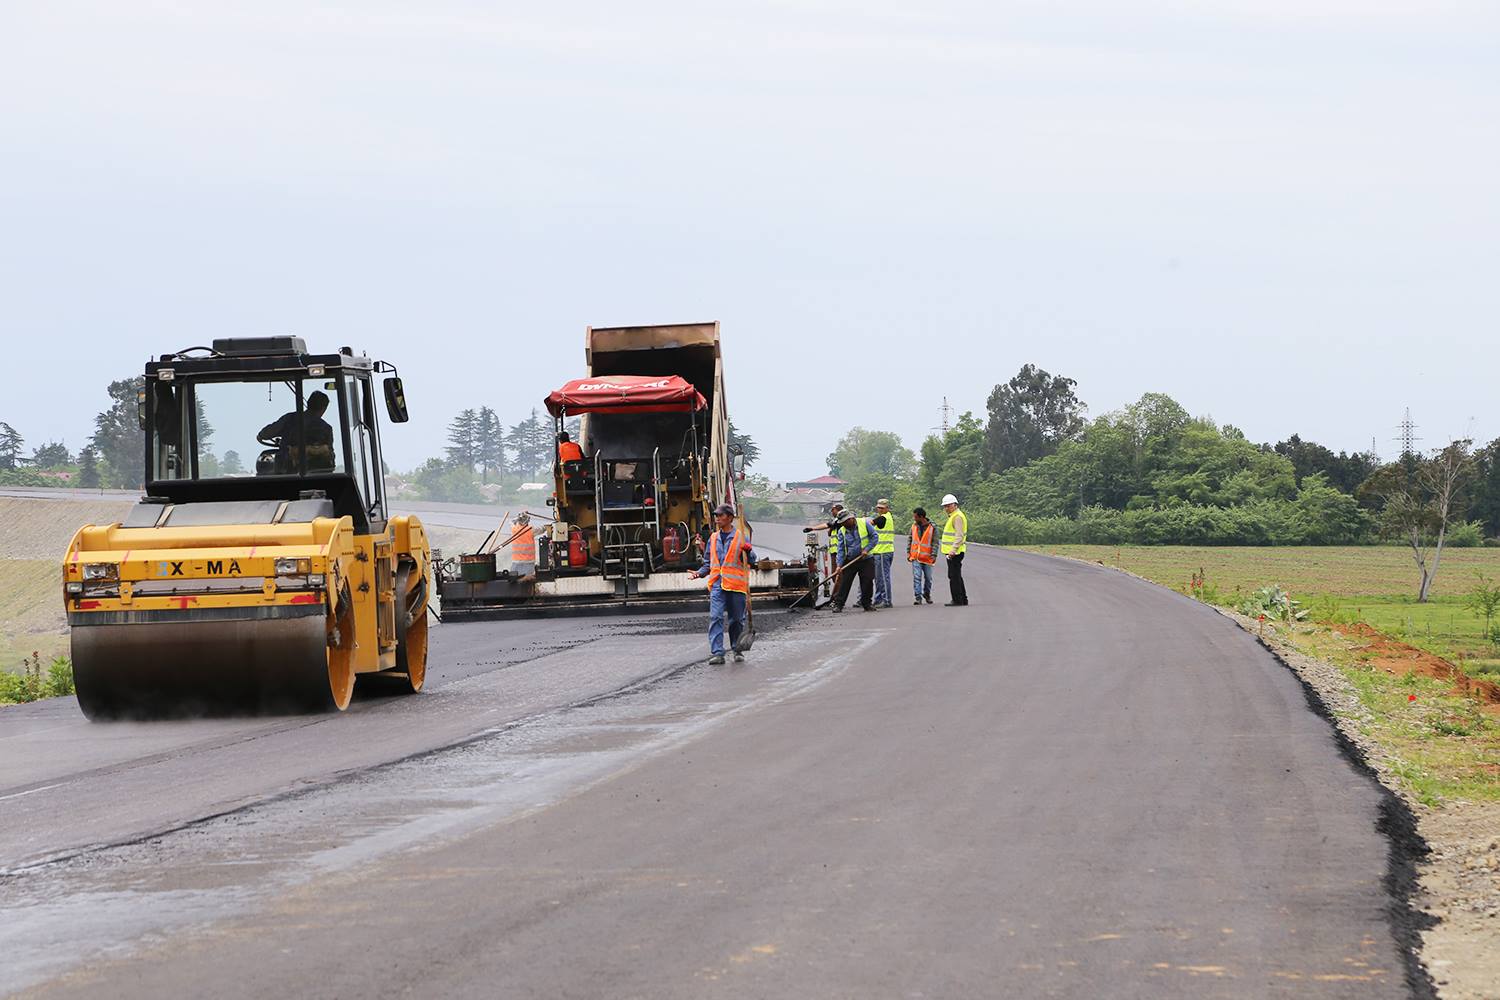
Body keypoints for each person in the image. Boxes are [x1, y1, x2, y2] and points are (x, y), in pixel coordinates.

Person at [688, 503, 756, 664]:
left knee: (736, 620)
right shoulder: (713, 538)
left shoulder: (741, 537)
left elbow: (752, 560)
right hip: (718, 585)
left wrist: (748, 551)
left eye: (720, 515)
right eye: (716, 515)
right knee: (716, 617)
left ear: (730, 518)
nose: (717, 518)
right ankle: (718, 653)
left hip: (736, 585)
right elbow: (708, 563)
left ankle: (737, 649)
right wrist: (699, 573)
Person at [257, 390, 335, 473]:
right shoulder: (326, 428)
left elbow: (268, 432)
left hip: (288, 471)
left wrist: (260, 436)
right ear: (323, 409)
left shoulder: (290, 419)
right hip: (317, 473)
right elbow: (330, 453)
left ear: (308, 404)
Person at [831, 511, 877, 613]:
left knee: (867, 581)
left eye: (844, 522)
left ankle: (867, 604)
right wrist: (839, 565)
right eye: (841, 523)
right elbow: (841, 549)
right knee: (845, 582)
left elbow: (875, 537)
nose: (843, 525)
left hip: (866, 559)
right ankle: (839, 604)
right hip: (850, 560)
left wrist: (867, 549)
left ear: (850, 519)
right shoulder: (842, 531)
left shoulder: (864, 524)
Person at [940, 493, 969, 606]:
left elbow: (959, 535)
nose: (946, 508)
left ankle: (957, 599)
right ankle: (962, 599)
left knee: (953, 576)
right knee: (956, 575)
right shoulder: (955, 515)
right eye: (945, 506)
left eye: (948, 505)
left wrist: (953, 550)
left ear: (955, 504)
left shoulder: (957, 517)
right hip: (955, 551)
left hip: (955, 552)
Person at [907, 506, 937, 605]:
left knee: (928, 578)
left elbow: (935, 542)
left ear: (921, 517)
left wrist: (934, 555)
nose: (914, 519)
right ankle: (918, 597)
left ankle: (927, 594)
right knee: (917, 577)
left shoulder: (932, 528)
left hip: (928, 558)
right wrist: (908, 552)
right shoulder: (913, 526)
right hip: (916, 557)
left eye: (915, 517)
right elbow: (910, 540)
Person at [870, 498, 896, 608]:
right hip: (884, 551)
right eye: (878, 508)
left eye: (882, 508)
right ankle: (878, 598)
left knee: (883, 578)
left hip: (883, 551)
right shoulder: (887, 517)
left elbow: (870, 523)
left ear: (887, 508)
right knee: (879, 577)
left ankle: (886, 600)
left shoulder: (883, 518)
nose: (879, 510)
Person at [508, 513, 537, 580]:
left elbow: (511, 522)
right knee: (528, 581)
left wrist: (519, 516)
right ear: (527, 522)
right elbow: (542, 529)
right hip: (528, 561)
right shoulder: (531, 530)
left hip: (516, 561)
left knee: (514, 579)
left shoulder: (514, 529)